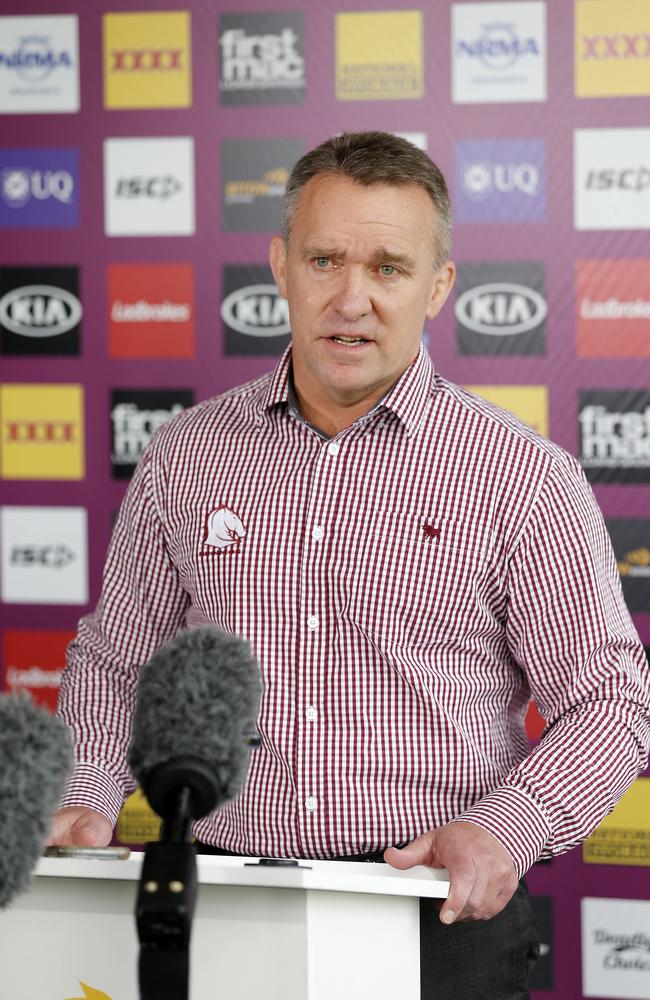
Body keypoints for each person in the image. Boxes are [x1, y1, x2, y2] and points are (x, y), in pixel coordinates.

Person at [50, 132, 650, 999]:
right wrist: (85, 789)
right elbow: (118, 660)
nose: (352, 298)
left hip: (433, 917)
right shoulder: (185, 455)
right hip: (223, 899)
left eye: (390, 268)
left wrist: (504, 829)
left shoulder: (522, 474)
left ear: (439, 286)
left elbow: (611, 701)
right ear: (280, 266)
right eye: (325, 259)